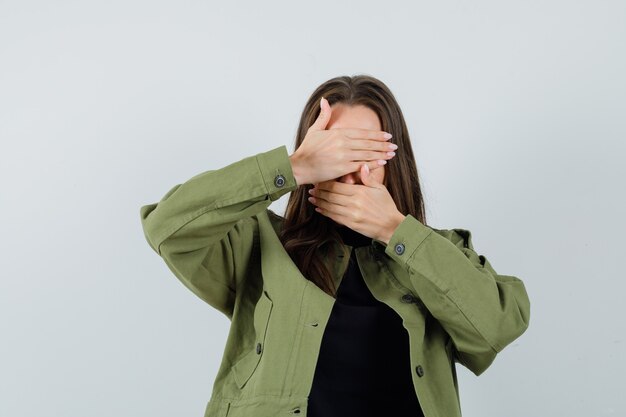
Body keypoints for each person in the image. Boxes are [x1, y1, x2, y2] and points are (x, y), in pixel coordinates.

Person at [139, 74, 531, 417]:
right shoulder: (261, 242)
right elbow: (167, 228)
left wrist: (397, 230)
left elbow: (497, 326)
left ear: (396, 161)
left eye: (368, 152)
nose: (349, 170)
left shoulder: (434, 253)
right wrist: (291, 168)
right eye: (336, 152)